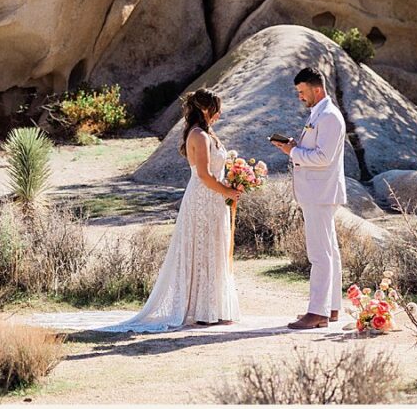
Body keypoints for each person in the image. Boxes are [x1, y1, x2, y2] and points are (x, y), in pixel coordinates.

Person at [102, 88, 242, 331]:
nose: (219, 114)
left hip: (215, 200)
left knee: (213, 248)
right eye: (216, 109)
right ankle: (201, 311)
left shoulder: (208, 133)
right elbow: (204, 175)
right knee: (201, 250)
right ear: (205, 109)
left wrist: (233, 182)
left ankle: (213, 308)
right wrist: (226, 191)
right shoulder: (198, 135)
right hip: (202, 199)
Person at [272, 66, 347, 330]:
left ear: (317, 89)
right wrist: (295, 148)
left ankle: (317, 312)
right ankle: (333, 307)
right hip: (319, 191)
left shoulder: (329, 116)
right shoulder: (320, 114)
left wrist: (293, 151)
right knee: (330, 251)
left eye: (302, 92)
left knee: (320, 253)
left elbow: (323, 157)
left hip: (320, 192)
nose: (300, 97)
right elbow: (315, 151)